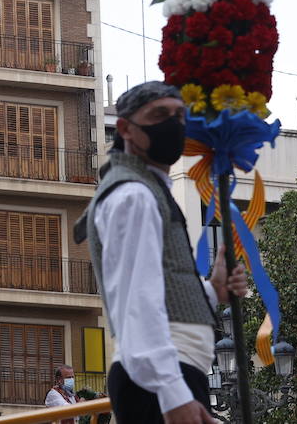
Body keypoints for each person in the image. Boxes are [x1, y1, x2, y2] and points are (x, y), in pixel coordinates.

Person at [75, 82, 249, 424]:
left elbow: (158, 287)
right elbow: (137, 303)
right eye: (159, 115)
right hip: (160, 379)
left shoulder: (149, 190)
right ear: (125, 128)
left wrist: (213, 291)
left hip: (168, 375)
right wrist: (174, 395)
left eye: (180, 115)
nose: (174, 123)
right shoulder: (134, 196)